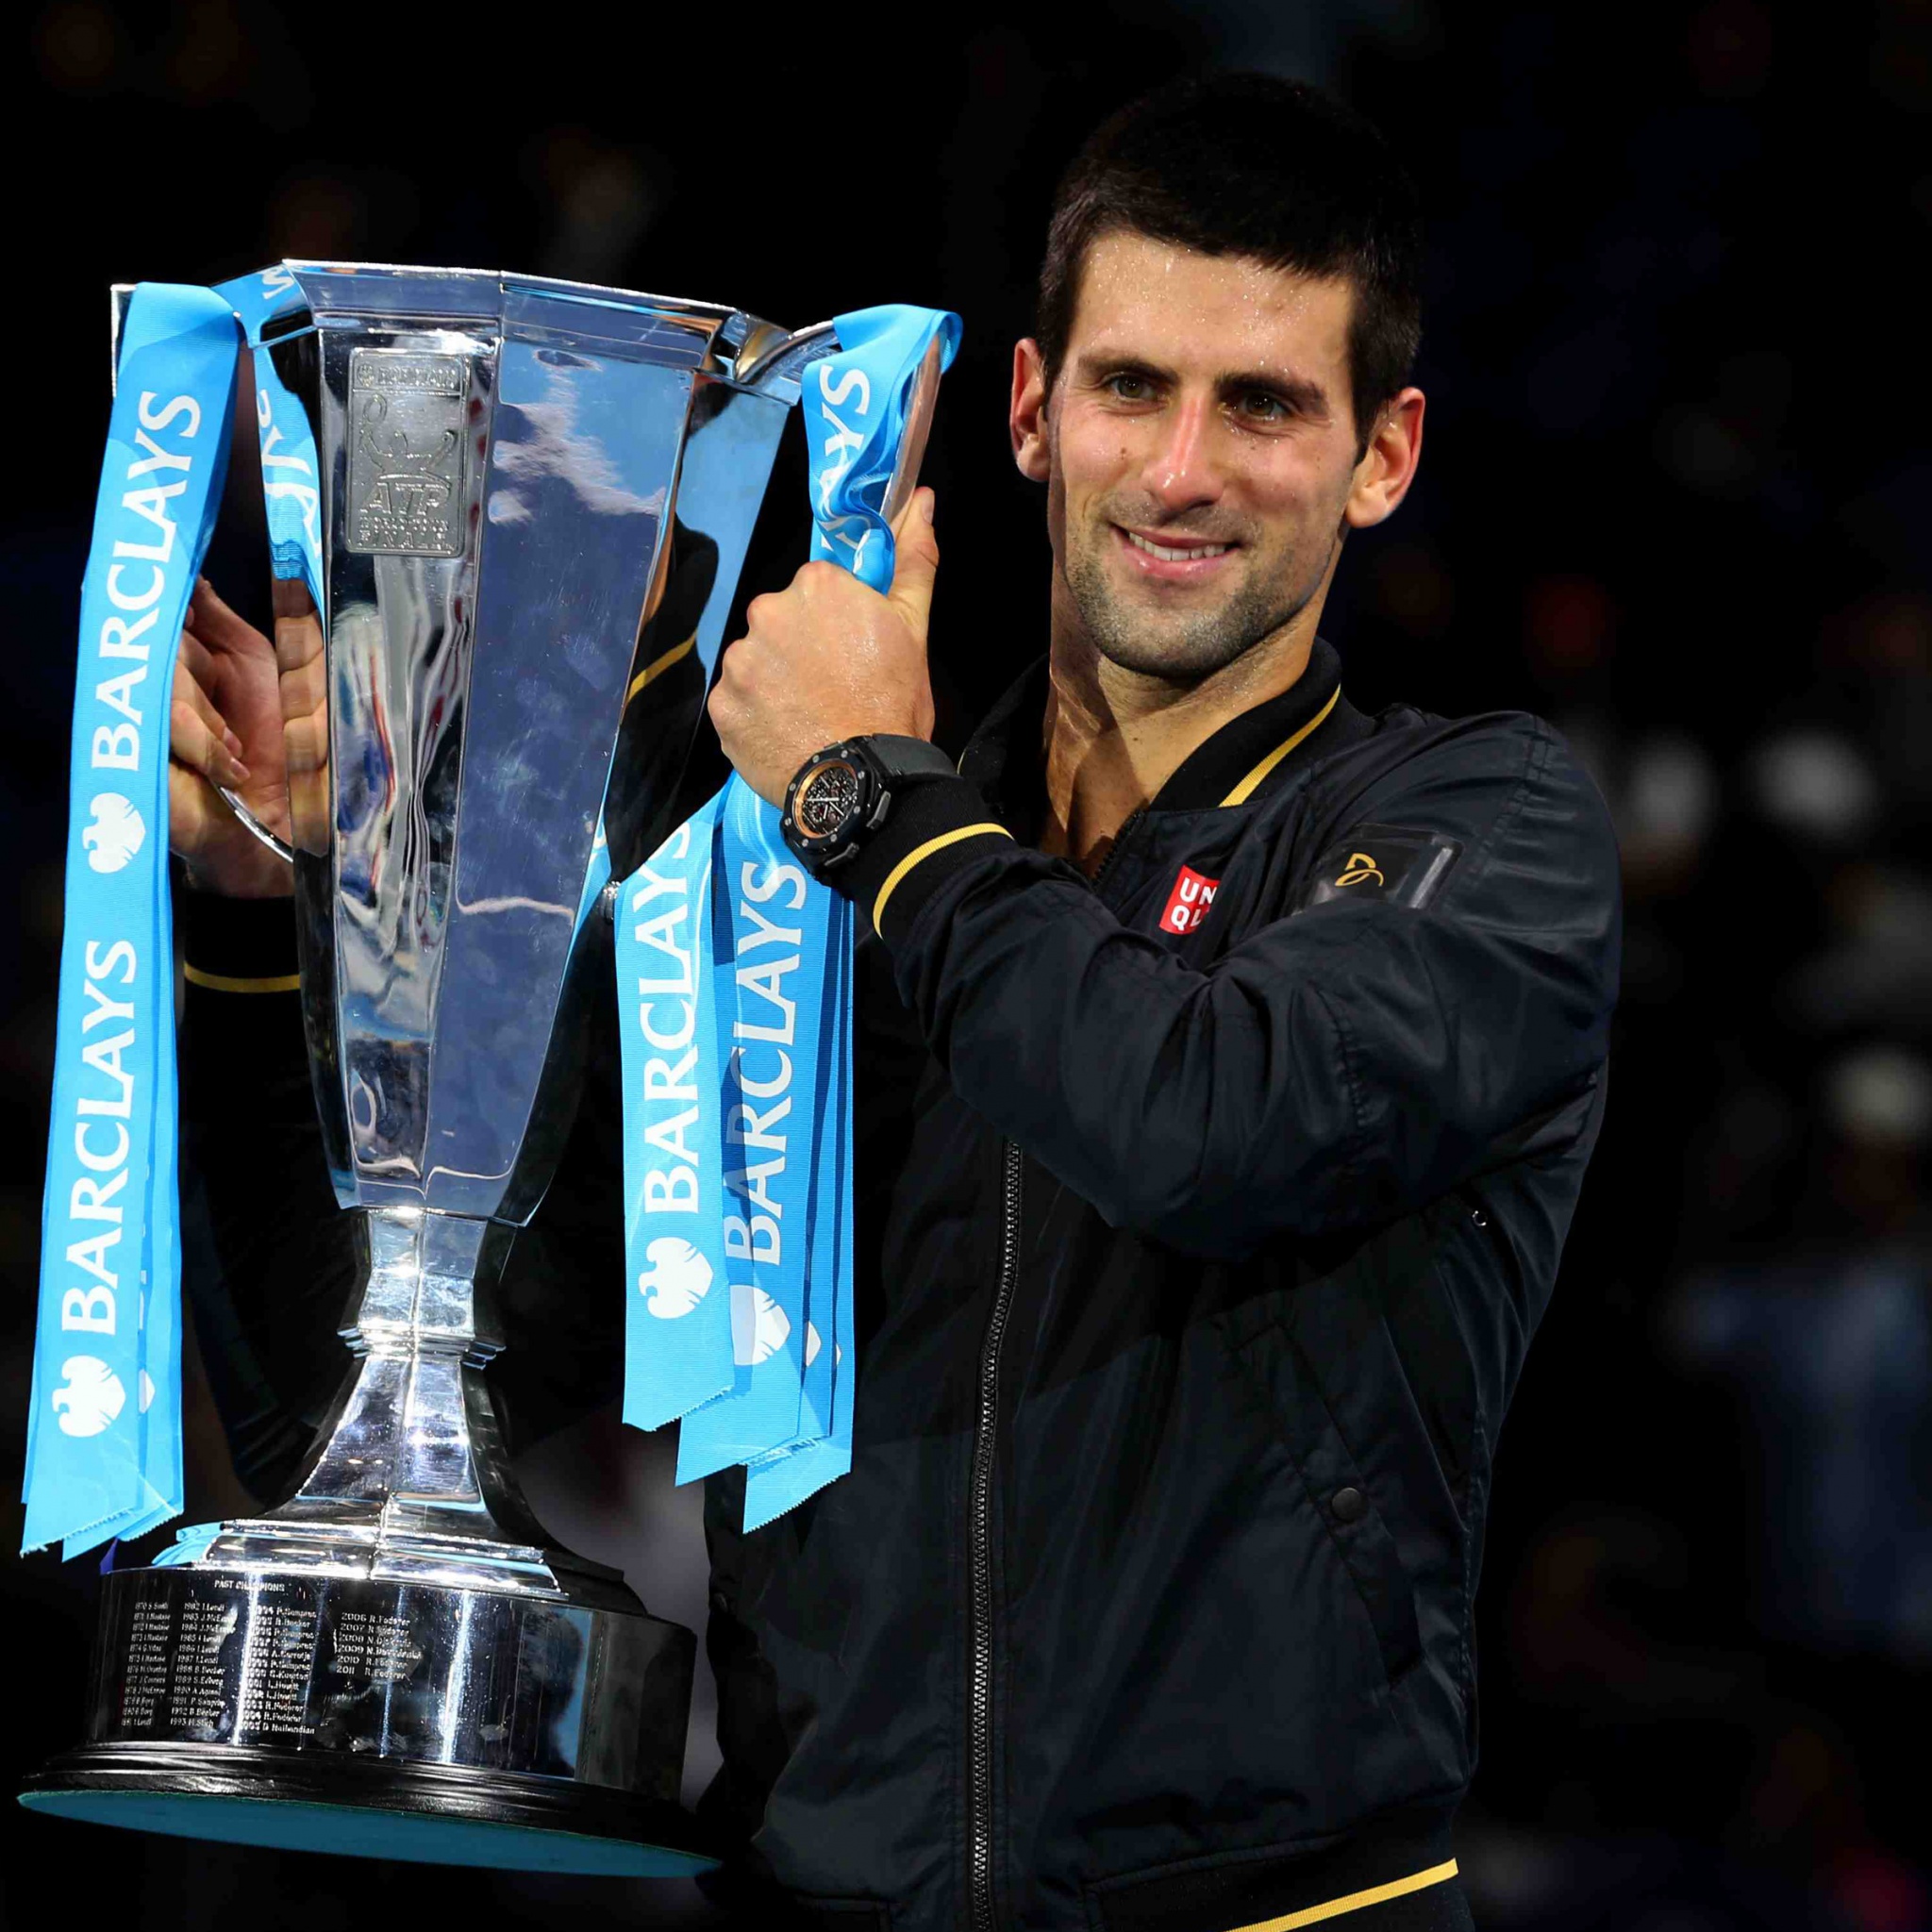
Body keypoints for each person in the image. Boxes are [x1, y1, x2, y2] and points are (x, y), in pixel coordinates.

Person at [169, 74, 1620, 1932]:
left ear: (1382, 456)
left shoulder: (1470, 828)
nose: (1183, 470)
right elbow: (376, 1415)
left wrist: (874, 797)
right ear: (1031, 406)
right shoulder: (790, 899)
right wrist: (270, 917)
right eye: (1131, 387)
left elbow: (1200, 1123)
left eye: (1262, 405)